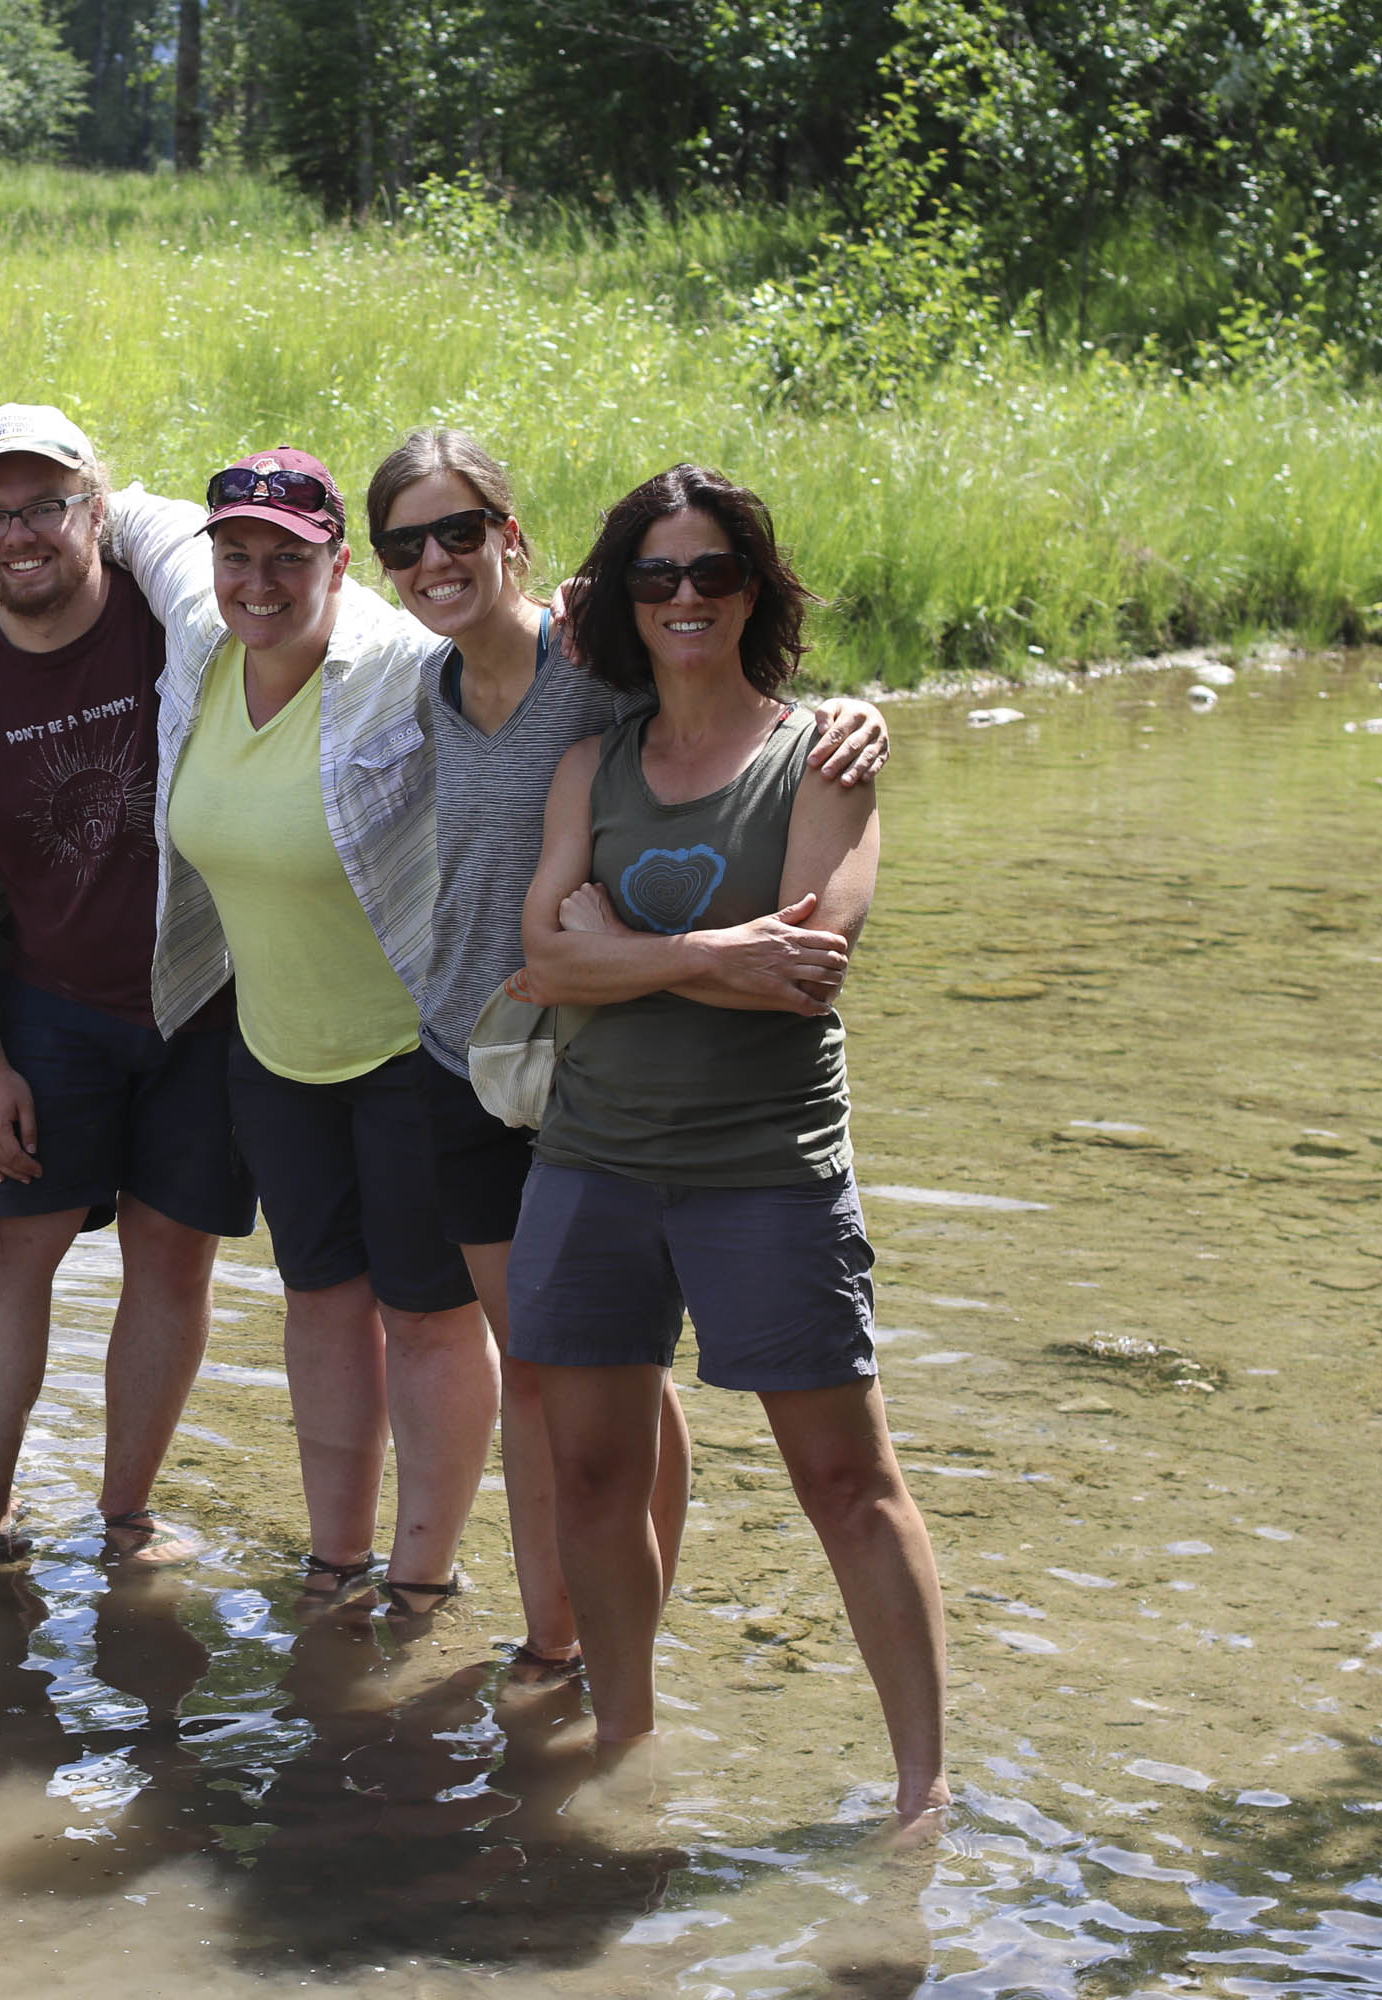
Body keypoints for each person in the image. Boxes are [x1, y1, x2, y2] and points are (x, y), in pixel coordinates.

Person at [368, 428, 889, 1673]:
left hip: (603, 1071)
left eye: (459, 530)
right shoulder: (431, 682)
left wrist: (858, 714)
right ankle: (565, 1641)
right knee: (548, 1378)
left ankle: (598, 1647)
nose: (435, 560)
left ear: (513, 534)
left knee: (597, 1377)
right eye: (406, 543)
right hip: (471, 1054)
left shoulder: (597, 665)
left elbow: (729, 695)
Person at [512, 463, 946, 1826]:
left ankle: (923, 1786)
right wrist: (708, 954)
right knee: (590, 1469)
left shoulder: (823, 751)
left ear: (754, 587)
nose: (685, 597)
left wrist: (615, 957)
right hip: (591, 1161)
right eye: (657, 576)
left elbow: (810, 968)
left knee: (842, 1477)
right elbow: (538, 957)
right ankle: (626, 1734)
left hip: (767, 1167)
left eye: (712, 572)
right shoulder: (591, 763)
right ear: (623, 600)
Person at [106, 448, 490, 1617]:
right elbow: (118, 504)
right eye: (241, 553)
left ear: (338, 562)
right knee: (319, 1299)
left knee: (425, 1314)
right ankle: (336, 1558)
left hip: (413, 1055)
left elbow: (540, 660)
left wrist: (815, 717)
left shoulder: (403, 666)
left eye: (291, 556)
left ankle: (422, 1570)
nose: (259, 580)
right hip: (272, 1049)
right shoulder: (199, 616)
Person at [0, 404, 257, 1563]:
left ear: (98, 511)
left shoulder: (176, 619)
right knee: (1, 1250)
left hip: (210, 999)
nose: (20, 534)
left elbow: (251, 547)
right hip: (54, 1005)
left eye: (46, 504)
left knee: (172, 1253)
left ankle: (124, 1512)